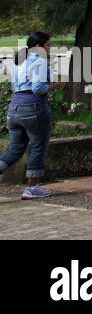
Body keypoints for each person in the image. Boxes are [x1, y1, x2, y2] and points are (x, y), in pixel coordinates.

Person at [0, 32, 62, 199]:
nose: (49, 49)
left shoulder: (19, 62)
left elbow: (15, 85)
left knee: (15, 149)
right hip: (34, 108)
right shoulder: (40, 62)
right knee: (38, 146)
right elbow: (38, 88)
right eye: (48, 45)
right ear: (37, 47)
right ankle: (32, 187)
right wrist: (54, 86)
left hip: (14, 108)